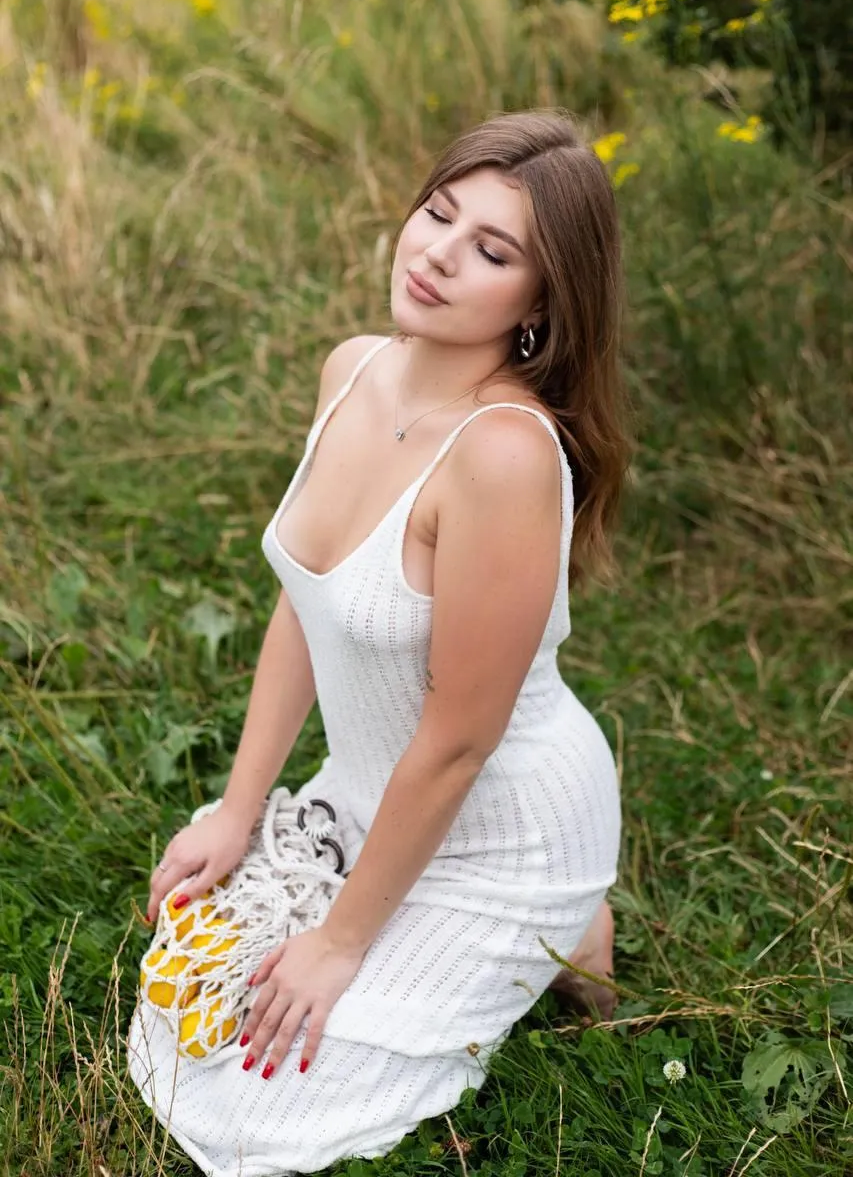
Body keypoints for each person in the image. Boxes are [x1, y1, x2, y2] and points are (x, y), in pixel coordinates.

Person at [127, 108, 631, 1176]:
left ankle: (568, 921)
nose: (438, 254)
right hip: (367, 791)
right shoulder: (351, 368)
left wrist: (340, 942)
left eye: (491, 251)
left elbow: (457, 742)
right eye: (437, 213)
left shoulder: (502, 455)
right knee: (190, 1008)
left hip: (498, 825)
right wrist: (239, 803)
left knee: (259, 1108)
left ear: (542, 301)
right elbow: (303, 603)